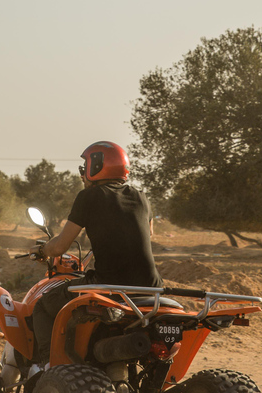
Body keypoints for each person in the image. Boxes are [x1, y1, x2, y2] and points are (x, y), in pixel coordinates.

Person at [29, 141, 162, 372]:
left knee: (42, 307)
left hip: (108, 285)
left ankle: (48, 369)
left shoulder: (89, 196)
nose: (82, 174)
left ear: (97, 165)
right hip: (151, 288)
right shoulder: (142, 197)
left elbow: (60, 246)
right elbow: (148, 233)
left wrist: (41, 251)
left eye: (84, 167)